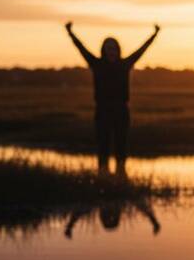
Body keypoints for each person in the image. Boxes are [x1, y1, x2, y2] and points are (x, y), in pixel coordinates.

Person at [65, 21, 160, 176]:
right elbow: (80, 47)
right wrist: (70, 32)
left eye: (114, 48)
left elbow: (142, 50)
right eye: (109, 48)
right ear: (104, 50)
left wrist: (154, 34)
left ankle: (121, 176)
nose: (111, 51)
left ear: (118, 50)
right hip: (102, 111)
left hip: (121, 111)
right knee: (103, 146)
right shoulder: (96, 64)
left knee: (121, 146)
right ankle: (103, 176)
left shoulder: (125, 64)